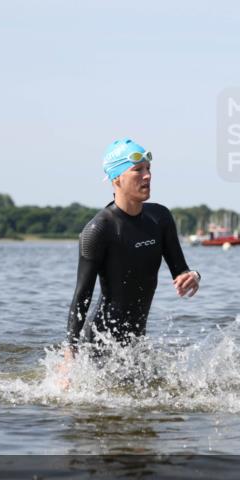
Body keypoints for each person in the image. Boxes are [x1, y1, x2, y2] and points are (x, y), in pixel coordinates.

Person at [64, 139, 200, 354]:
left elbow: (181, 270)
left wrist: (193, 276)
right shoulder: (99, 230)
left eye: (148, 169)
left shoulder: (160, 218)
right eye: (138, 170)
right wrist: (70, 353)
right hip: (100, 343)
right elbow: (82, 296)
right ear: (116, 178)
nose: (147, 175)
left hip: (137, 345)